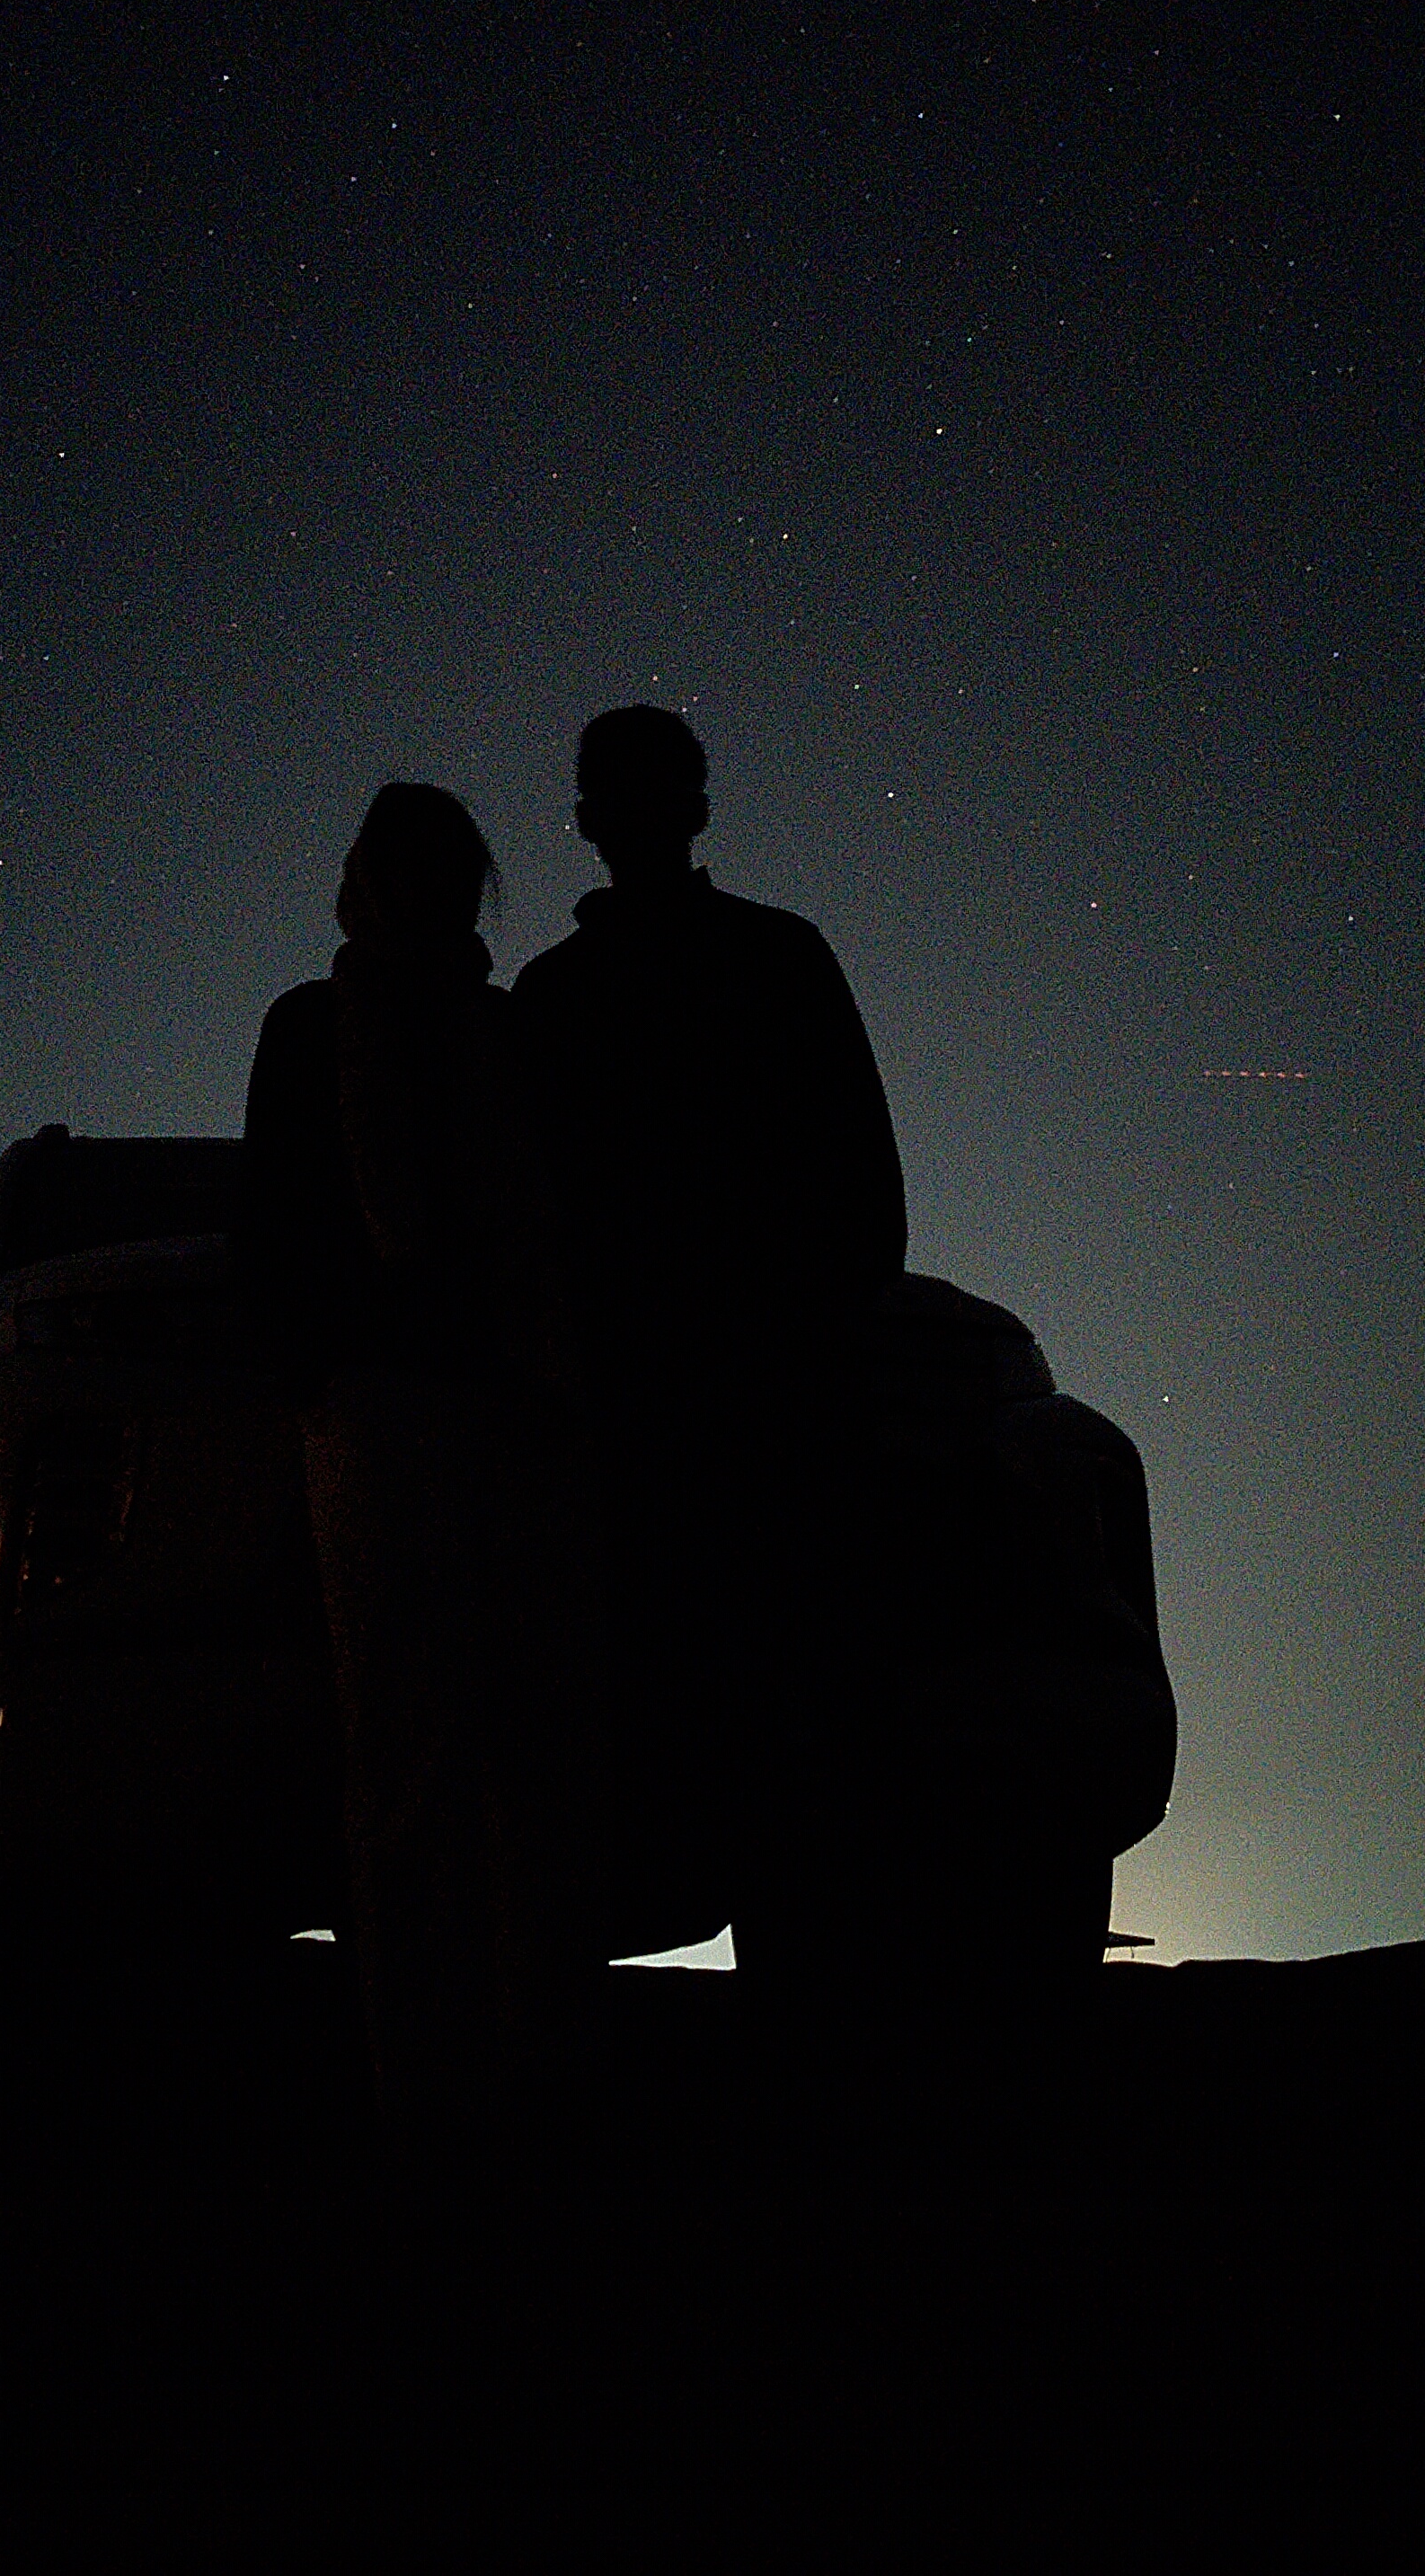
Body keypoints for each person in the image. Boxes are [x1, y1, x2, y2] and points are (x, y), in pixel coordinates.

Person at [509, 707, 907, 1977]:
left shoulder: (616, 987)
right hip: (661, 1422)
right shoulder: (576, 994)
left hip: (737, 1415)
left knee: (761, 1729)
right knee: (723, 1726)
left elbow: (862, 1191)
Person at [243, 782, 601, 2135]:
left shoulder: (503, 1034)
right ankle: (430, 2091)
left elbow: (555, 1221)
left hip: (506, 1410)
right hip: (384, 1411)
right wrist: (323, 1373)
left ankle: (520, 2073)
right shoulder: (316, 1027)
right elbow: (279, 1221)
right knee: (412, 1748)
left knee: (518, 1745)